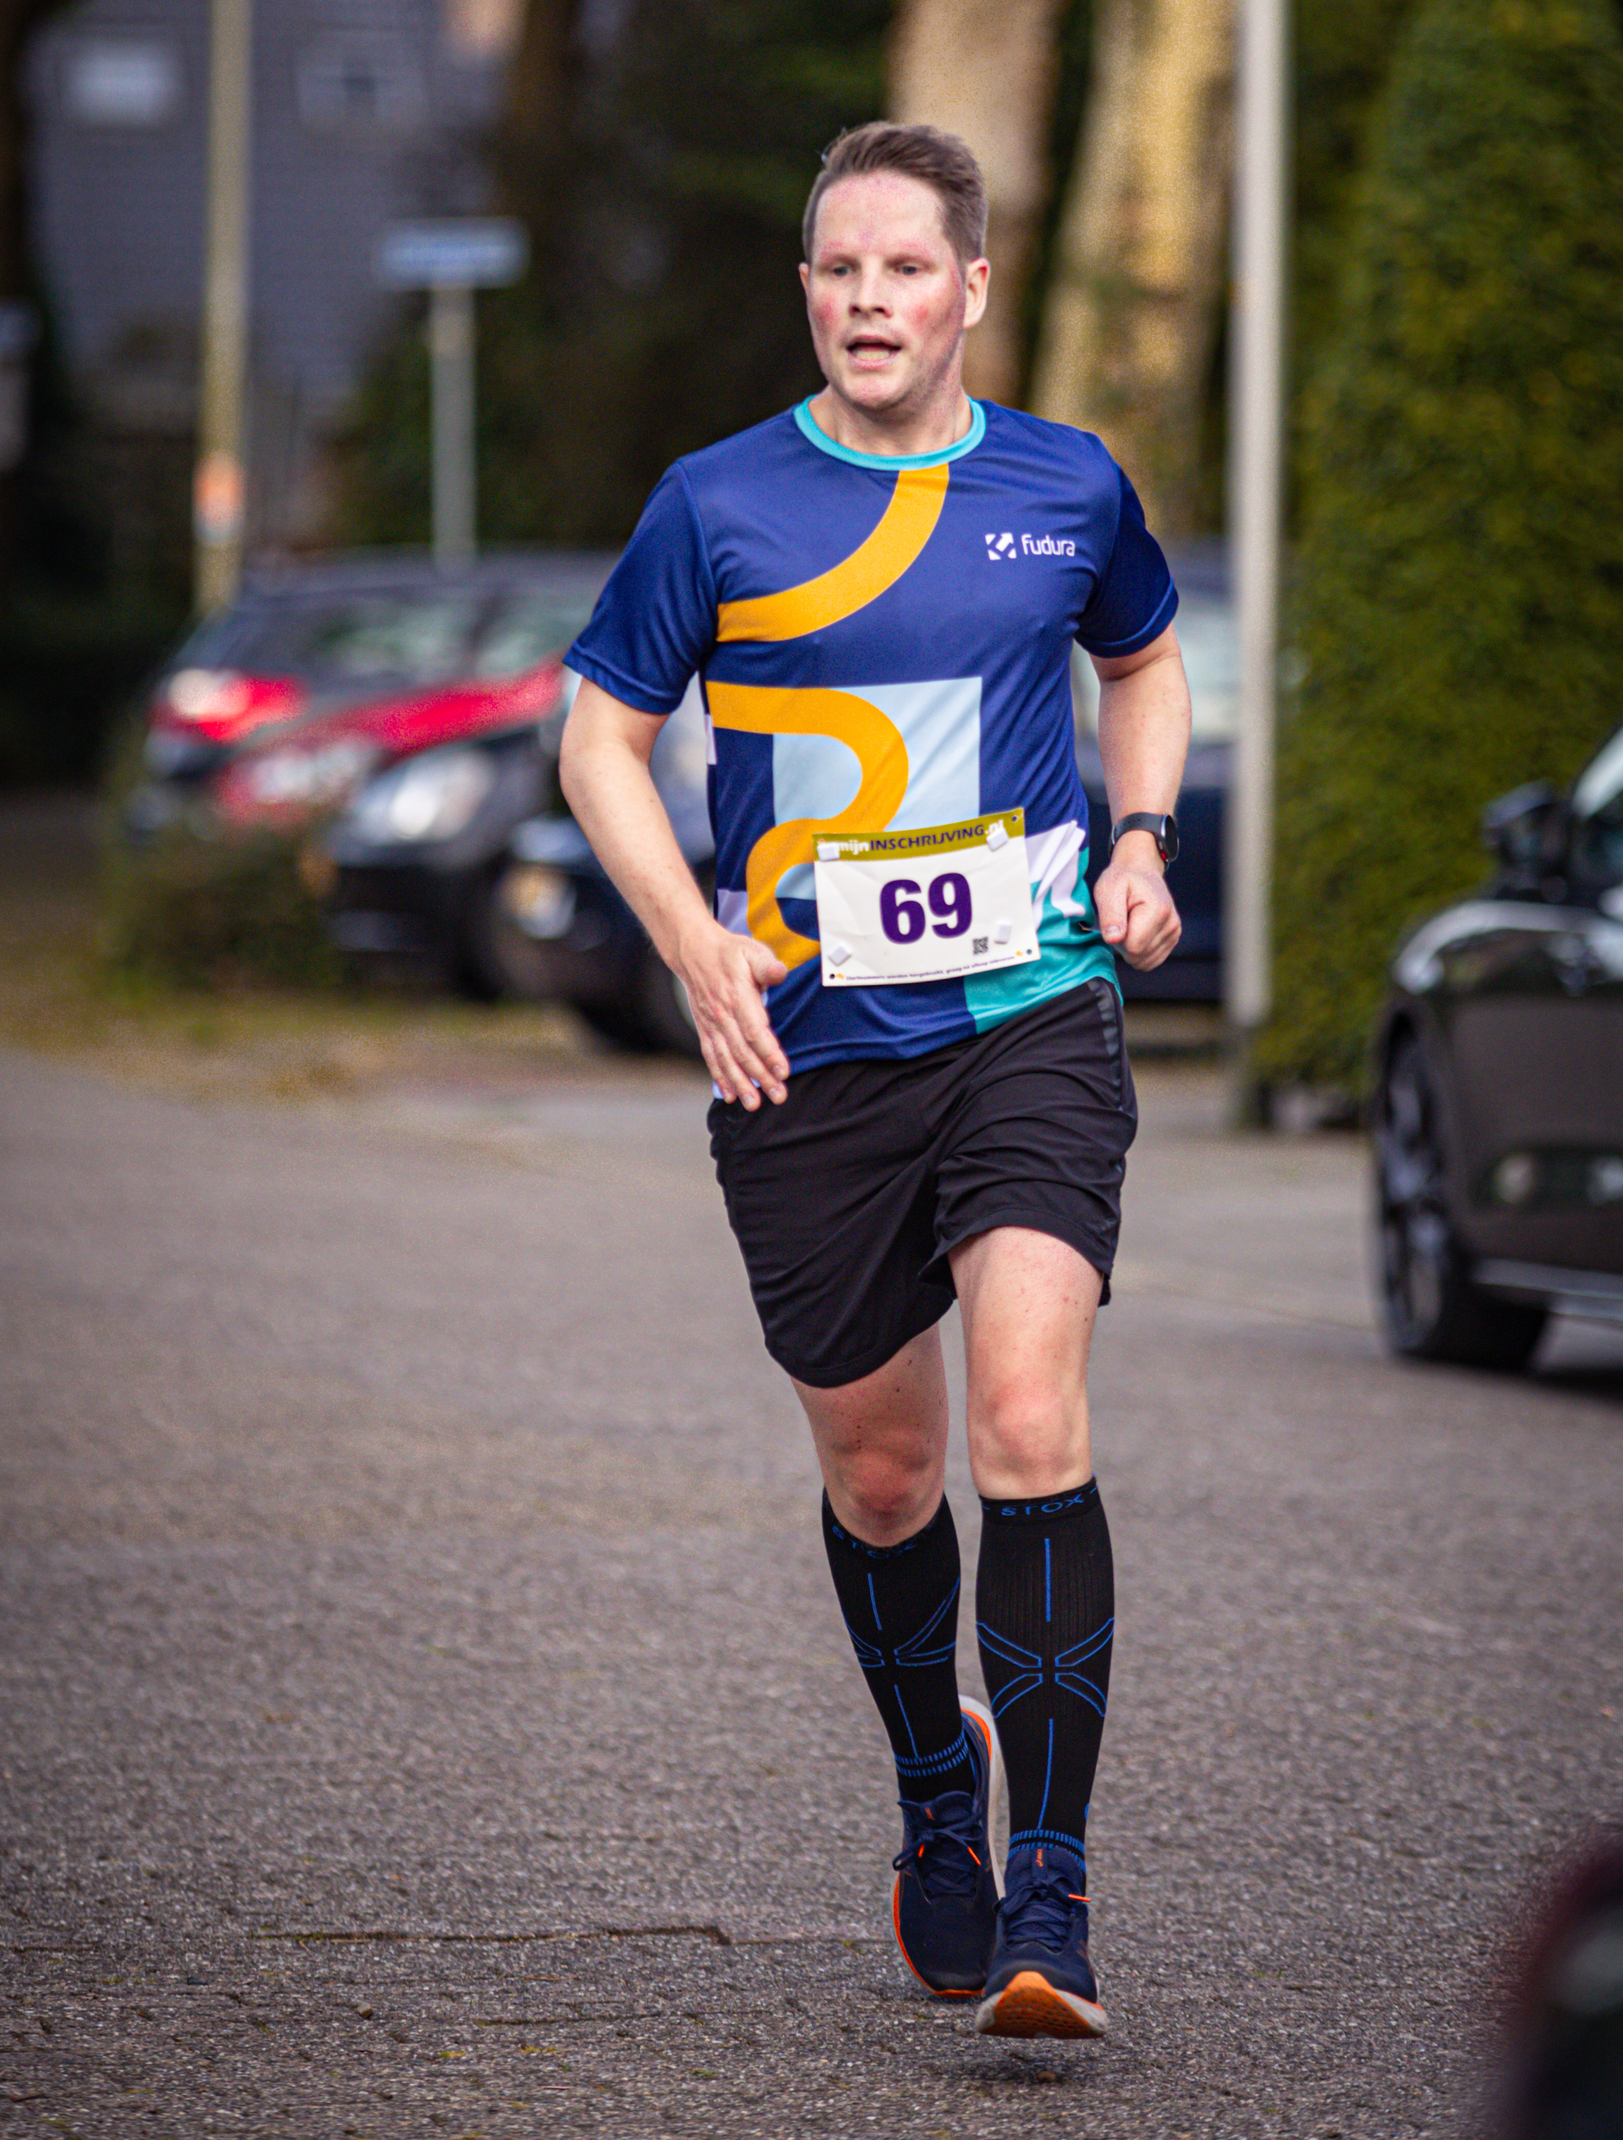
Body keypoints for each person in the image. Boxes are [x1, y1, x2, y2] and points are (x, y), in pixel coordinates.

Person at [560, 122, 1191, 2041]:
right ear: (810, 292)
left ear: (972, 290)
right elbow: (599, 740)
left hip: (1028, 1011)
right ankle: (939, 1783)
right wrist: (696, 945)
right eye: (838, 271)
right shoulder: (716, 504)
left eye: (905, 270)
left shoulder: (1066, 486)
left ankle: (1053, 1895)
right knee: (886, 1465)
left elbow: (1146, 660)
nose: (867, 303)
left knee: (1021, 1412)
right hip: (808, 1051)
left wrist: (1143, 838)